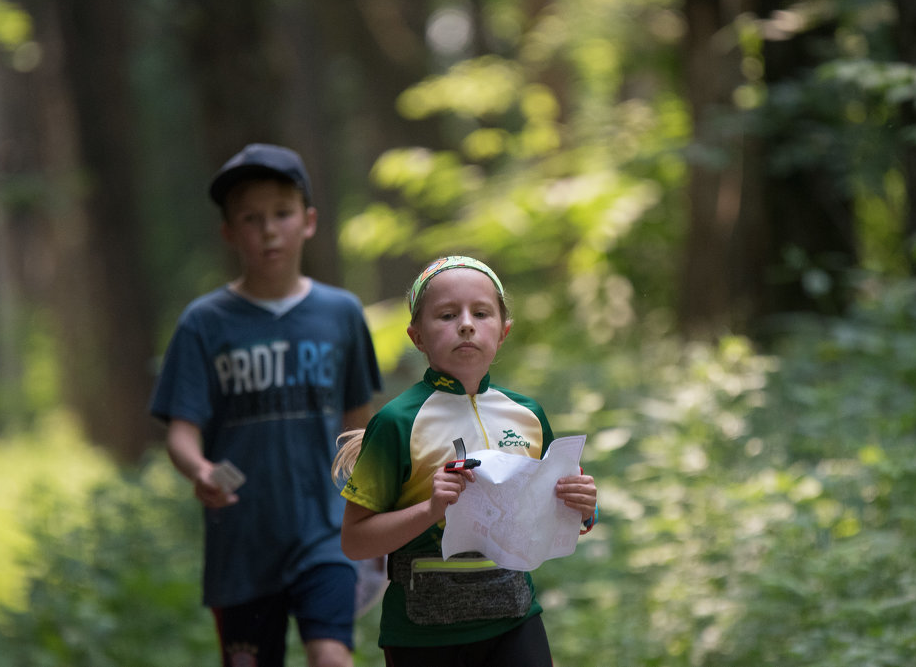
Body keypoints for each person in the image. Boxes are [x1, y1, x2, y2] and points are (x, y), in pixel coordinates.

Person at [150, 143, 382, 667]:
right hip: (242, 544)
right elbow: (181, 432)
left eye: (282, 213)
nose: (269, 230)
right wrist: (201, 469)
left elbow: (358, 424)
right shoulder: (204, 323)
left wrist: (373, 504)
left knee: (331, 658)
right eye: (251, 219)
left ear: (309, 221)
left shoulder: (341, 314)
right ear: (229, 232)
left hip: (325, 532)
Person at [334, 255, 598, 666]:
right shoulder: (396, 422)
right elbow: (355, 542)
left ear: (503, 330)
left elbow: (554, 518)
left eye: (480, 312)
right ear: (416, 336)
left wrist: (583, 507)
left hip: (513, 619)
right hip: (422, 632)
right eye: (446, 314)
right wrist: (431, 508)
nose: (466, 323)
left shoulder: (527, 415)